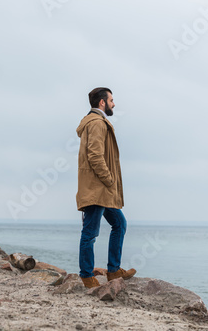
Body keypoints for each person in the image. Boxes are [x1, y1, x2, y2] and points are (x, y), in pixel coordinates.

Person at [76, 87, 136, 288]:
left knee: (120, 224)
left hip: (103, 189)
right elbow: (95, 155)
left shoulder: (97, 122)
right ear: (102, 102)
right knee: (90, 232)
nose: (114, 104)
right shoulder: (96, 124)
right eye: (111, 100)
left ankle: (113, 270)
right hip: (97, 188)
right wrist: (109, 179)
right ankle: (86, 276)